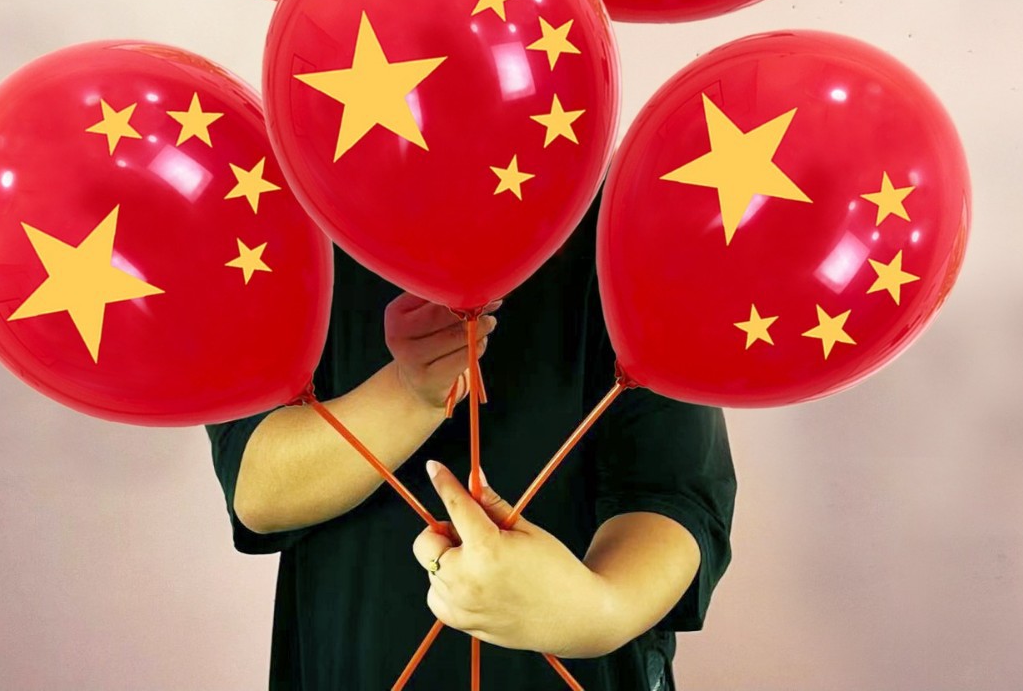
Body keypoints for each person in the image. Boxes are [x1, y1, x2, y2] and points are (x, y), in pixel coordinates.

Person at [205, 195, 736, 689]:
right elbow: (256, 488)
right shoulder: (280, 207)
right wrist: (409, 392)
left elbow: (673, 494)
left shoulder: (625, 219)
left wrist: (596, 612)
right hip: (350, 659)